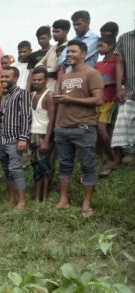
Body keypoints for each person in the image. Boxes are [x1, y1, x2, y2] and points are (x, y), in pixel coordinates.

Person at [53, 40, 104, 217]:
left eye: (73, 51)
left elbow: (98, 100)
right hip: (63, 129)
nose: (69, 54)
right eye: (67, 52)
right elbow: (59, 103)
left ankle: (86, 203)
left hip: (84, 128)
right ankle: (63, 200)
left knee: (88, 166)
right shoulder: (63, 77)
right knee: (64, 165)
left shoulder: (92, 74)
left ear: (83, 53)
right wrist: (57, 126)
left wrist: (71, 100)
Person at [0, 66, 32, 211]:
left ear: (15, 78)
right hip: (3, 138)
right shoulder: (5, 97)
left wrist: (23, 138)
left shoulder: (22, 94)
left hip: (15, 139)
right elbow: (3, 121)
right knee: (6, 169)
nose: (3, 79)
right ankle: (12, 199)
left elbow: (26, 116)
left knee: (16, 170)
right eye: (2, 76)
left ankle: (21, 202)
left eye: (7, 77)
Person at [28, 67, 56, 203]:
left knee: (45, 167)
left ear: (46, 80)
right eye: (34, 80)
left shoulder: (49, 96)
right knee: (36, 167)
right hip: (33, 134)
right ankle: (37, 196)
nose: (36, 82)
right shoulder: (32, 95)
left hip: (44, 135)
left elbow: (52, 120)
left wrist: (46, 141)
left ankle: (44, 198)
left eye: (39, 80)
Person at [111, 21, 135, 165]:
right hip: (131, 88)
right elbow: (119, 62)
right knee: (126, 120)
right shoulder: (124, 38)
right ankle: (129, 151)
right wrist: (119, 87)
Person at [95, 36, 120, 175]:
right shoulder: (98, 64)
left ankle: (111, 158)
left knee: (102, 129)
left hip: (110, 99)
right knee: (100, 130)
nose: (99, 49)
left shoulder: (117, 60)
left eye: (101, 46)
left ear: (111, 46)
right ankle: (106, 156)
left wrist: (106, 83)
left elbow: (121, 78)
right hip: (98, 100)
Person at [37, 19, 71, 91]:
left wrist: (46, 69)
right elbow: (39, 64)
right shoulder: (52, 48)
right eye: (53, 31)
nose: (54, 34)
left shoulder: (70, 47)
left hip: (61, 84)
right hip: (47, 85)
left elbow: (57, 68)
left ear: (66, 32)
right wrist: (48, 70)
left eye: (57, 31)